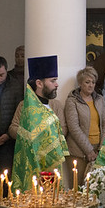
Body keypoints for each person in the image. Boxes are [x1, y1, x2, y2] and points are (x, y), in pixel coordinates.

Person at [10, 55, 68, 192]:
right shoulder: (28, 110)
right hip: (36, 170)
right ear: (39, 83)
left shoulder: (54, 107)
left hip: (52, 168)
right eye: (53, 80)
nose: (57, 84)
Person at [65, 67, 105, 189]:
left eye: (93, 82)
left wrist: (101, 148)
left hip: (97, 149)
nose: (91, 85)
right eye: (87, 82)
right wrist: (88, 150)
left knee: (95, 188)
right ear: (80, 83)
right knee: (77, 188)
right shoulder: (72, 101)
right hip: (78, 151)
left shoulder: (100, 99)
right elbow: (73, 127)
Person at [0, 56, 22, 207]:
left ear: (6, 71)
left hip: (8, 140)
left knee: (6, 177)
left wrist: (8, 135)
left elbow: (18, 112)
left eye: (2, 75)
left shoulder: (15, 85)